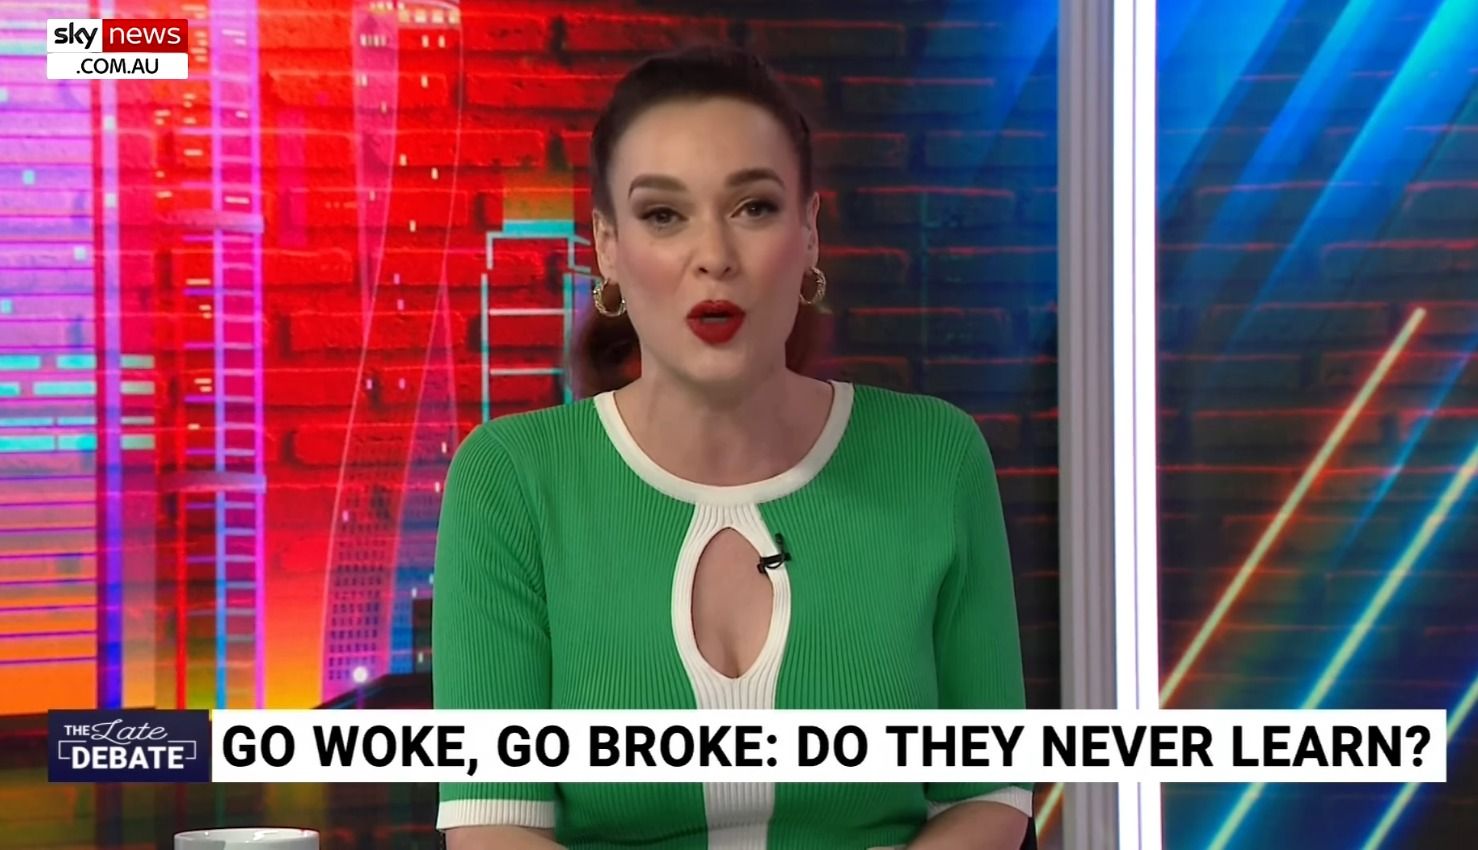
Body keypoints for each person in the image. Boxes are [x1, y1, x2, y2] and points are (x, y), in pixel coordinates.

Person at [433, 43, 1032, 850]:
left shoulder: (936, 456)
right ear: (608, 246)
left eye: (753, 207)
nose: (713, 255)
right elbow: (492, 825)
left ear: (809, 231)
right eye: (663, 215)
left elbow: (989, 797)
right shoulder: (510, 480)